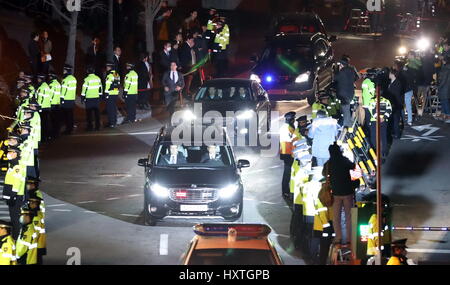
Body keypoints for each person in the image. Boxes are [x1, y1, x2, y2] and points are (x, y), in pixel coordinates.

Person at [324, 143, 357, 246]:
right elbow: (353, 166)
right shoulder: (344, 160)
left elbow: (323, 173)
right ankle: (349, 239)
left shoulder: (329, 163)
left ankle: (338, 238)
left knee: (336, 217)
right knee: (348, 217)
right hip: (347, 192)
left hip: (336, 194)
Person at [334, 56, 360, 128]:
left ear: (342, 64)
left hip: (343, 94)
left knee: (345, 110)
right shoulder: (351, 70)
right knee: (347, 108)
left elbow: (335, 79)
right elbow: (357, 77)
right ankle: (347, 122)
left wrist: (337, 71)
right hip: (350, 93)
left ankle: (347, 126)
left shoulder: (341, 72)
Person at [368, 89, 392, 160]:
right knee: (383, 136)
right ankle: (384, 152)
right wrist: (384, 117)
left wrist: (377, 118)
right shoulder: (386, 101)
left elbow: (372, 110)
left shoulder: (372, 101)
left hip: (374, 121)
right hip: (384, 121)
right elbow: (389, 109)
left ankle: (375, 152)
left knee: (373, 137)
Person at [279, 111, 298, 198]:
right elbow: (292, 139)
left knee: (289, 172)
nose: (294, 120)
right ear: (290, 119)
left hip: (289, 152)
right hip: (287, 152)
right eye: (293, 119)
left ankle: (287, 190)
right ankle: (285, 191)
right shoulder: (286, 128)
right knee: (287, 172)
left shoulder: (288, 127)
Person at [400, 51, 419, 126]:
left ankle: (409, 119)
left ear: (412, 55)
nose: (407, 56)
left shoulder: (412, 64)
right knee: (408, 103)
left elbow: (411, 75)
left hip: (409, 86)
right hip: (410, 86)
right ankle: (409, 119)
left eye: (408, 55)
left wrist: (405, 71)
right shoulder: (411, 63)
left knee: (407, 103)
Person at [386, 69, 404, 139]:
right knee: (393, 119)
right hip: (392, 104)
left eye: (390, 73)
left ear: (393, 74)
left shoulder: (397, 83)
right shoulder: (391, 82)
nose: (389, 75)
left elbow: (396, 94)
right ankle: (393, 132)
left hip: (396, 104)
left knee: (396, 120)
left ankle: (397, 134)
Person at [179, 34, 197, 99]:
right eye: (192, 40)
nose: (193, 41)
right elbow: (185, 57)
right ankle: (186, 93)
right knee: (187, 80)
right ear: (188, 40)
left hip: (189, 66)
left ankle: (187, 91)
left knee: (189, 79)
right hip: (186, 66)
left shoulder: (189, 46)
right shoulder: (185, 46)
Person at [60, 65, 77, 135]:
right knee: (71, 115)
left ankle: (68, 130)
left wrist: (61, 99)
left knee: (66, 116)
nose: (63, 72)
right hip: (72, 99)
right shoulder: (73, 78)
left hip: (66, 100)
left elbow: (63, 90)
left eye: (64, 70)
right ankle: (71, 127)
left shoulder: (66, 80)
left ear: (66, 70)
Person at [104, 62, 121, 128]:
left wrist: (106, 94)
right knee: (113, 108)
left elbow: (107, 86)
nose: (106, 68)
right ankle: (114, 121)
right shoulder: (116, 74)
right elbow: (118, 85)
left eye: (107, 67)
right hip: (115, 94)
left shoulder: (109, 75)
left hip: (110, 94)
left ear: (110, 67)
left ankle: (111, 123)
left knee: (110, 109)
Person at [36, 74, 52, 141]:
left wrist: (39, 107)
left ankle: (43, 137)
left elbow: (40, 99)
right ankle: (47, 136)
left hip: (43, 108)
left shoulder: (42, 87)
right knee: (46, 123)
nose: (37, 80)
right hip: (47, 107)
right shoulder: (46, 86)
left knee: (43, 124)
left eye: (38, 78)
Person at [48, 73, 62, 138]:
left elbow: (51, 95)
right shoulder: (58, 84)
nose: (49, 77)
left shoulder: (52, 84)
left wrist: (49, 102)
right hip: (58, 104)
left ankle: (53, 133)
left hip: (53, 104)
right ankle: (57, 132)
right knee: (57, 120)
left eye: (50, 76)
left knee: (52, 120)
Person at [437, 57, 450, 123]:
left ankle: (448, 114)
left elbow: (443, 80)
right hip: (446, 87)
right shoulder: (445, 67)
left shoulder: (446, 68)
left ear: (445, 61)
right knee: (443, 100)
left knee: (445, 101)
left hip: (445, 87)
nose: (442, 61)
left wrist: (439, 86)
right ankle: (443, 113)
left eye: (443, 60)